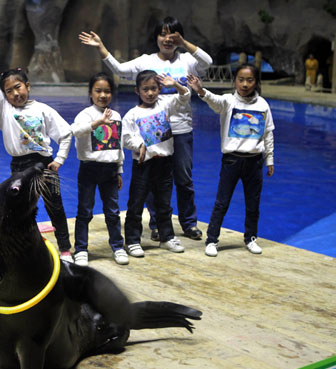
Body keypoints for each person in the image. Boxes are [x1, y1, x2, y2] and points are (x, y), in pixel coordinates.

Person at [80, 16, 212, 242]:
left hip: (180, 128)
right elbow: (120, 69)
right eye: (163, 34)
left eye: (173, 35)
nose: (167, 39)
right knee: (154, 180)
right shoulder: (146, 60)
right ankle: (157, 223)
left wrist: (184, 42)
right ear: (156, 37)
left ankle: (189, 223)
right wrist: (101, 47)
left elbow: (207, 62)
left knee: (183, 178)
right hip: (153, 131)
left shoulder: (187, 60)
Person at [0, 41, 74, 262]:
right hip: (19, 166)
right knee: (20, 210)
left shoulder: (43, 110)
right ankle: (28, 248)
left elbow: (66, 134)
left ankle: (65, 249)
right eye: (9, 91)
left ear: (28, 86)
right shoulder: (3, 110)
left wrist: (59, 160)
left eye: (18, 87)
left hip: (44, 163)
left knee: (55, 206)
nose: (15, 93)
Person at [186, 64, 274, 257]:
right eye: (241, 79)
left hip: (254, 161)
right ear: (234, 81)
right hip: (232, 161)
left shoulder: (263, 105)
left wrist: (269, 160)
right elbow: (213, 100)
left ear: (256, 82)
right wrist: (200, 90)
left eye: (249, 80)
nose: (245, 84)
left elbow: (268, 134)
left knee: (253, 203)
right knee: (222, 202)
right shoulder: (227, 101)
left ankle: (251, 238)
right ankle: (212, 239)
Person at [122, 70, 190, 257]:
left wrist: (175, 84)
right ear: (137, 91)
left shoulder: (165, 104)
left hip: (165, 163)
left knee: (164, 203)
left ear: (159, 88)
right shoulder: (132, 114)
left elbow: (185, 96)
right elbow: (126, 138)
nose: (150, 93)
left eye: (153, 88)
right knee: (136, 203)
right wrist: (139, 144)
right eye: (146, 89)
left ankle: (166, 237)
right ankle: (133, 240)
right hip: (144, 165)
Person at [71, 72, 128, 266]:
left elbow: (118, 145)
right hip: (89, 168)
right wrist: (97, 123)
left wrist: (119, 169)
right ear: (90, 93)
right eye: (98, 91)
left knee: (112, 211)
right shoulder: (85, 115)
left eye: (107, 91)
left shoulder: (117, 116)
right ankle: (80, 249)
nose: (103, 95)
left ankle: (118, 246)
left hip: (110, 170)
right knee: (84, 210)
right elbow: (75, 131)